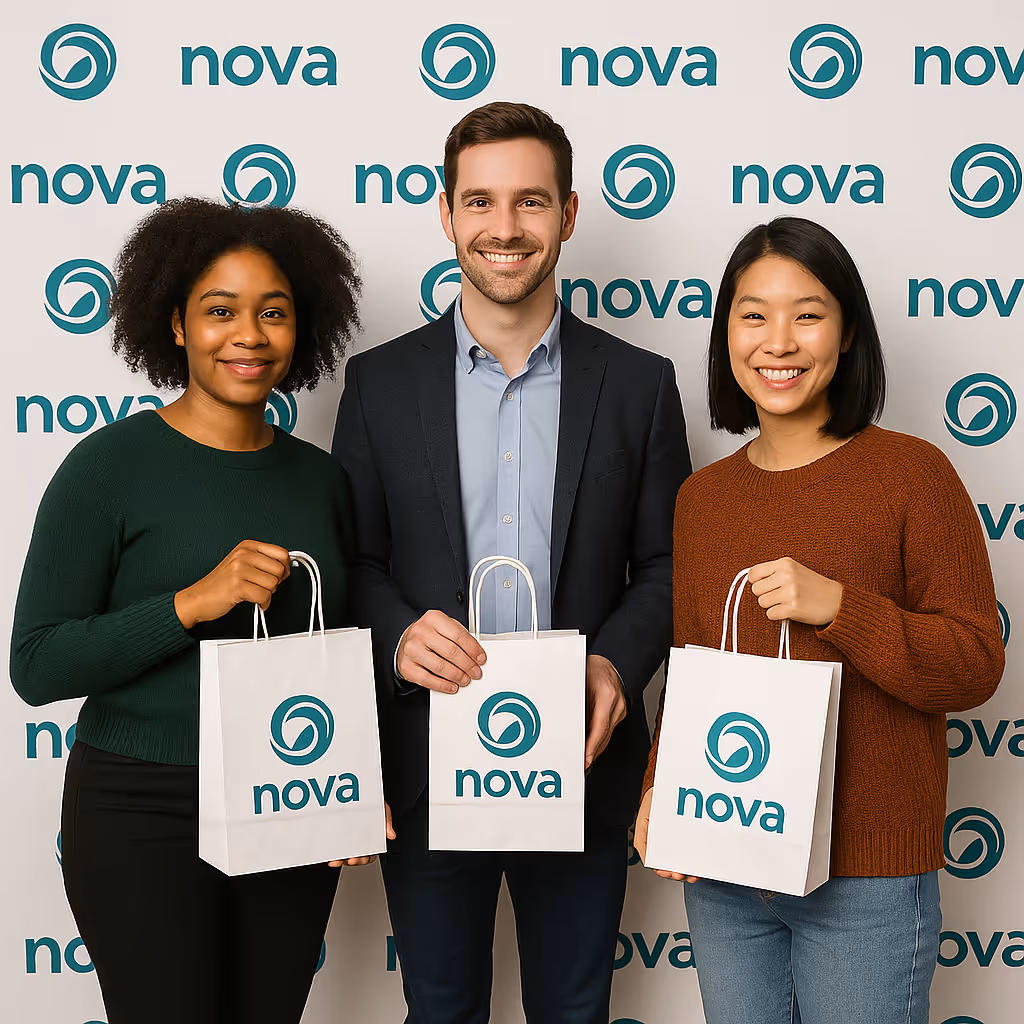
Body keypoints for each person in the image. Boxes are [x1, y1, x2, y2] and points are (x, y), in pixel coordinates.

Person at [332, 100, 690, 1024]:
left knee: (574, 1012)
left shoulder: (641, 382)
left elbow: (665, 564)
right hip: (427, 752)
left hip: (580, 754)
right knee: (441, 1011)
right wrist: (399, 635)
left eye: (531, 202)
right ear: (447, 215)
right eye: (481, 202)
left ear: (568, 215)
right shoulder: (378, 383)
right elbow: (354, 560)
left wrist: (614, 661)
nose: (505, 228)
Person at [10, 198, 378, 1024]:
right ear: (174, 324)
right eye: (219, 311)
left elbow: (339, 649)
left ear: (300, 329)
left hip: (292, 794)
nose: (247, 335)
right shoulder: (108, 467)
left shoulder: (321, 480)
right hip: (141, 808)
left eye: (273, 313)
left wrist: (357, 778)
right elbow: (35, 664)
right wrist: (189, 604)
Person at [632, 216, 1005, 1024]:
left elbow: (975, 663)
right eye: (753, 314)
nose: (779, 341)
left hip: (865, 876)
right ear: (726, 332)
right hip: (729, 861)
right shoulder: (703, 500)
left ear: (847, 334)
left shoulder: (913, 474)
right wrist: (662, 782)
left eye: (808, 314)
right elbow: (694, 666)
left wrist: (842, 607)